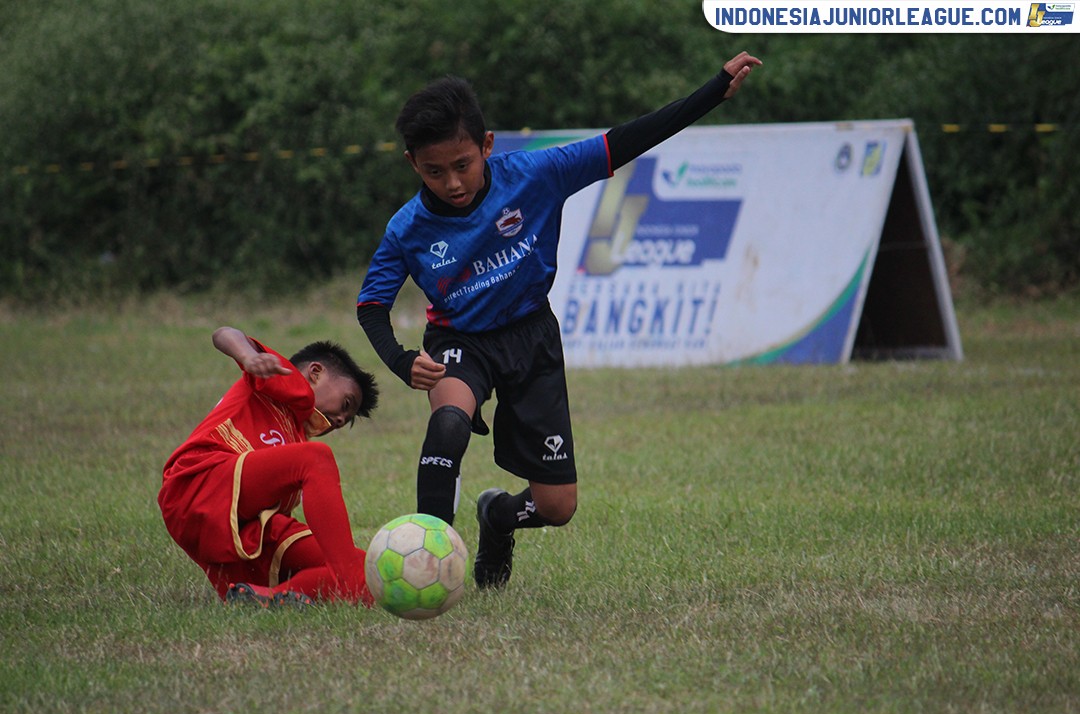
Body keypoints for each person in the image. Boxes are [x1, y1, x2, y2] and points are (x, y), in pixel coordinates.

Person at [356, 51, 762, 589]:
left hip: (532, 338)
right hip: (461, 341)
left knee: (557, 506)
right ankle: (430, 559)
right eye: (434, 172)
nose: (452, 183)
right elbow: (370, 306)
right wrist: (403, 360)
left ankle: (497, 518)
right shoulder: (407, 227)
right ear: (412, 164)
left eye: (462, 165)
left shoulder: (535, 176)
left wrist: (712, 91)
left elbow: (626, 139)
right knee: (449, 421)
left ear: (487, 146)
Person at [159, 326, 380, 608]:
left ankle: (266, 598)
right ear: (315, 373)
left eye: (346, 419)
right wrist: (248, 357)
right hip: (198, 484)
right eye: (345, 404)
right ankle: (348, 578)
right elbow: (223, 333)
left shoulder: (296, 437)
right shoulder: (285, 379)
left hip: (241, 526)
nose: (339, 420)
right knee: (317, 458)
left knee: (371, 574)